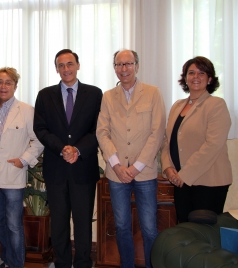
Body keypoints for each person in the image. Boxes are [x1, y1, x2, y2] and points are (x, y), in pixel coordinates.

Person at [96, 49, 166, 268]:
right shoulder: (108, 96)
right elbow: (102, 132)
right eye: (119, 65)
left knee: (149, 228)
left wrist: (135, 167)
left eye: (128, 64)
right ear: (114, 68)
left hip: (144, 172)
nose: (123, 69)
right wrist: (116, 165)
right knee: (122, 226)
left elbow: (157, 133)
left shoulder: (153, 93)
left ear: (137, 65)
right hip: (117, 174)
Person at [33, 49, 102, 268]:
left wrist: (78, 150)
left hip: (83, 168)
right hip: (56, 169)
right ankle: (62, 263)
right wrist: (62, 148)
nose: (66, 69)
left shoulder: (95, 94)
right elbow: (40, 128)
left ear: (78, 65)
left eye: (70, 64)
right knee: (59, 222)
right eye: (61, 65)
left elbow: (99, 129)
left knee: (83, 222)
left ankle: (83, 263)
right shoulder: (45, 95)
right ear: (56, 69)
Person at [0, 67, 43, 268]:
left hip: (13, 176)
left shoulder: (27, 110)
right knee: (0, 223)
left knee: (14, 225)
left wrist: (24, 159)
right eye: (0, 82)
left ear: (15, 86)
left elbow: (38, 140)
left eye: (8, 83)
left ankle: (16, 264)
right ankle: (7, 260)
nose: (3, 86)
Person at [161, 56, 232, 223]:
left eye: (201, 73)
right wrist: (168, 168)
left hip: (208, 182)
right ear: (185, 78)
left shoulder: (216, 105)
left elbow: (213, 145)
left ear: (210, 79)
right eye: (191, 72)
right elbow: (166, 140)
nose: (196, 77)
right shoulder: (177, 106)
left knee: (203, 236)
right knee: (186, 231)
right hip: (180, 181)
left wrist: (184, 175)